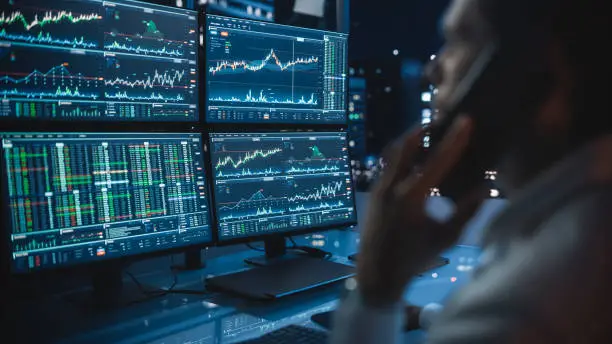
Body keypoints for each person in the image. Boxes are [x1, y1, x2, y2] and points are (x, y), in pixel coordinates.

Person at [331, 0, 612, 342]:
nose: (432, 71)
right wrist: (436, 317)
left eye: (461, 38)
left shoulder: (518, 312)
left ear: (544, 74)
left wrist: (376, 291)